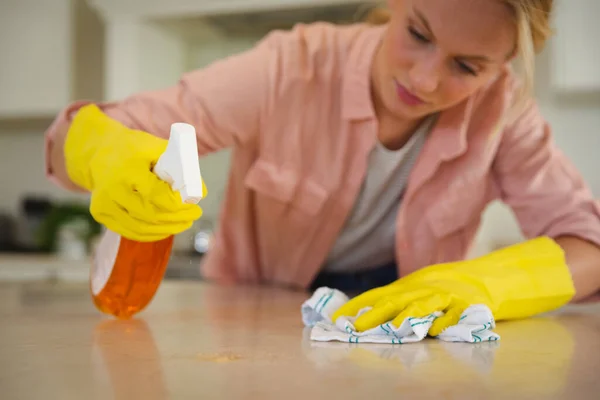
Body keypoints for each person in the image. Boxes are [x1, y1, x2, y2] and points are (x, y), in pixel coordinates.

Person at [46, 0, 600, 333]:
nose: (426, 81)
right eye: (418, 34)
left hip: (400, 336)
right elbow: (86, 133)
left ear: (502, 67)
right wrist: (102, 150)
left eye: (466, 66)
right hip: (255, 330)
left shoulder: (505, 113)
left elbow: (588, 246)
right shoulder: (289, 67)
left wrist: (484, 283)